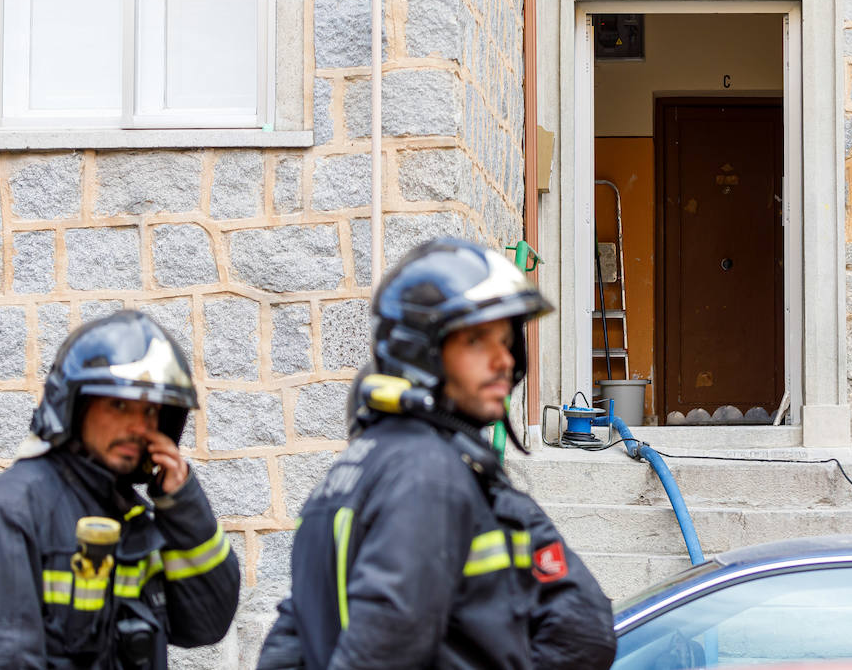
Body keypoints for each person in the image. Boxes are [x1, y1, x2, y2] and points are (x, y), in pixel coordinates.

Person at [257, 237, 616, 670]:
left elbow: (286, 647)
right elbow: (381, 654)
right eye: (477, 340)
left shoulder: (347, 474)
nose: (503, 360)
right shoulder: (429, 473)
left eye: (506, 341)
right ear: (419, 351)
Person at [0, 310, 240, 668]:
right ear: (75, 406)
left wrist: (183, 506)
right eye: (119, 405)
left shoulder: (135, 518)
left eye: (150, 413)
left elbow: (206, 623)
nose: (138, 427)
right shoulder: (7, 510)